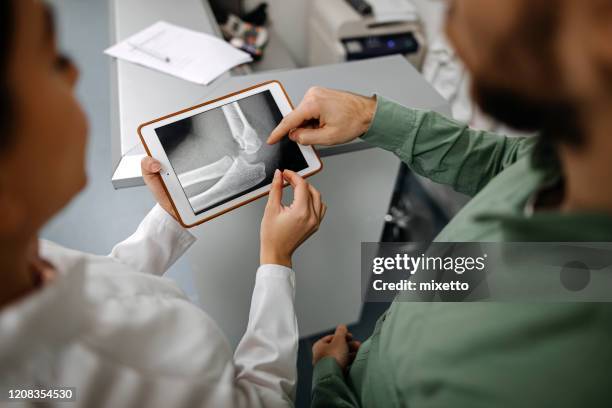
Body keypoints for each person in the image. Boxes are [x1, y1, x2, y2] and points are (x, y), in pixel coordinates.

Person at [268, 0, 612, 406]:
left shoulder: (542, 378)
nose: (454, 15)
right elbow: (507, 163)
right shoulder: (576, 157)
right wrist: (369, 116)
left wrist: (329, 381)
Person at [0, 0, 326, 406]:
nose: (75, 71)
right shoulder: (139, 368)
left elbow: (101, 287)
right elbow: (261, 400)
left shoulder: (21, 263)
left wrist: (171, 217)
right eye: (53, 62)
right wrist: (276, 260)